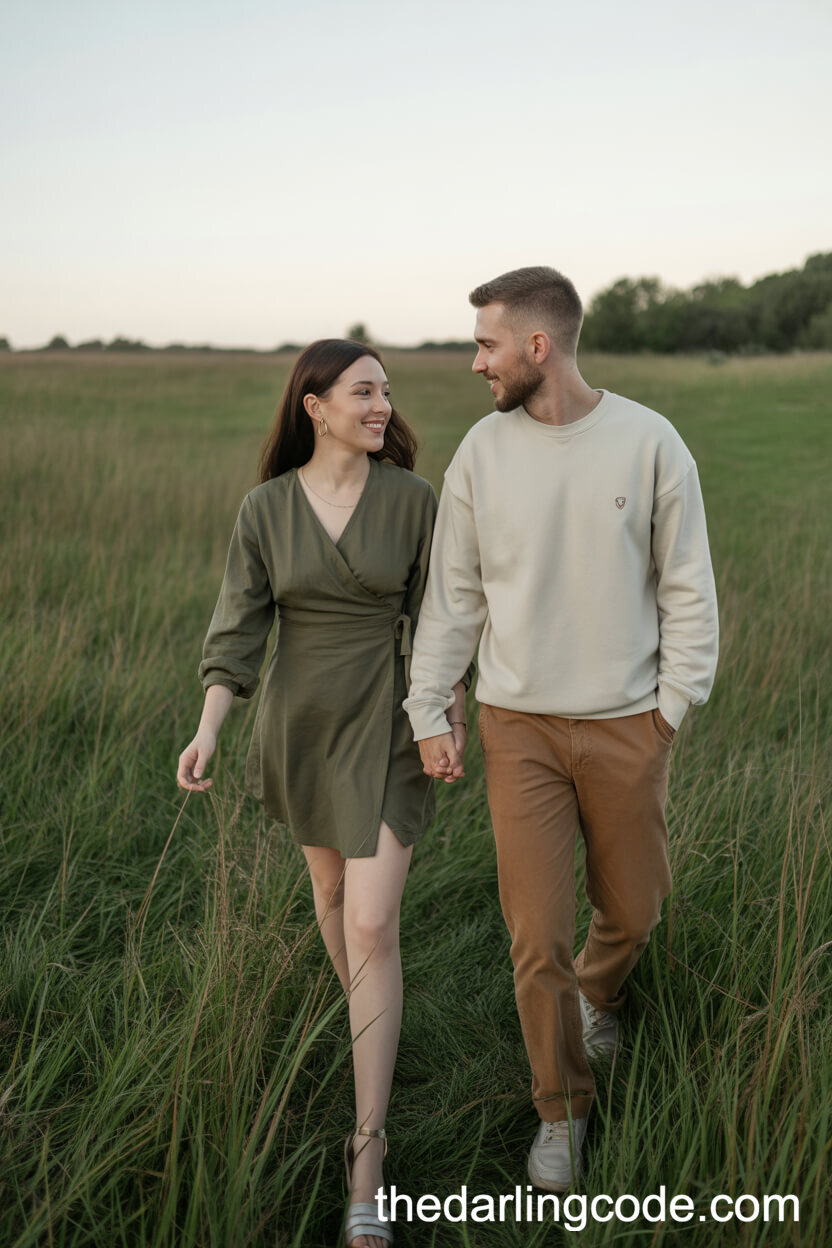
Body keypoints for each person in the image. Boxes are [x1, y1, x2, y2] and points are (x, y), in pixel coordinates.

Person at [404, 266, 719, 1192]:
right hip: (518, 727)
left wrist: (670, 710)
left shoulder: (650, 443)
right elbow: (453, 597)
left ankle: (604, 993)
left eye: (487, 345)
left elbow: (688, 587)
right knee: (535, 933)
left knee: (634, 908)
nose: (476, 363)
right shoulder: (480, 455)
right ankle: (562, 1110)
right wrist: (431, 706)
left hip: (629, 722)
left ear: (538, 348)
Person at [177, 339, 468, 1248]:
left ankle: (367, 1148)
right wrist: (211, 725)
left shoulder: (415, 501)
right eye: (364, 391)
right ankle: (371, 1027)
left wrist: (445, 709)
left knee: (372, 923)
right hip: (300, 730)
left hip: (387, 725)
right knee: (334, 900)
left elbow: (442, 617)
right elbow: (239, 628)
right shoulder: (265, 508)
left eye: (386, 392)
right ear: (315, 405)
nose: (383, 406)